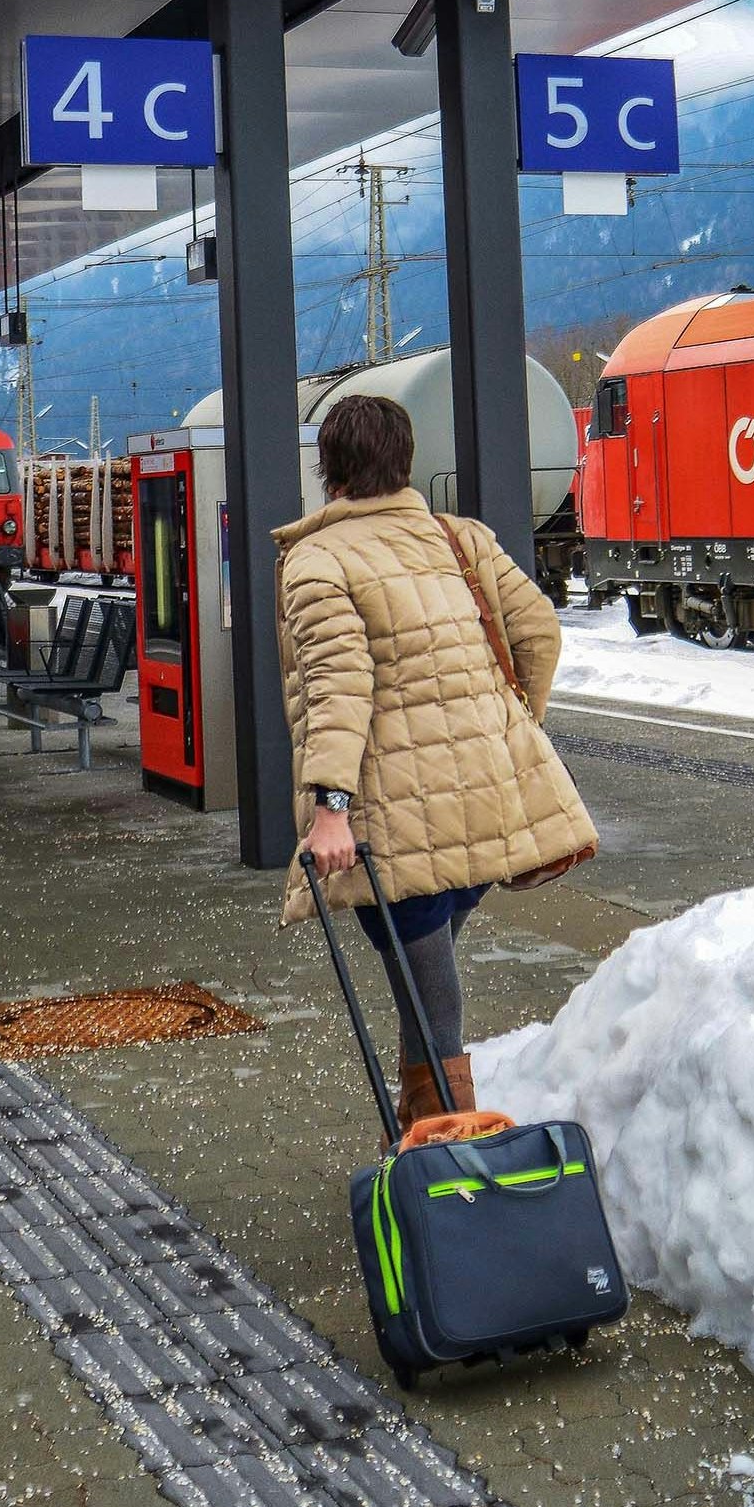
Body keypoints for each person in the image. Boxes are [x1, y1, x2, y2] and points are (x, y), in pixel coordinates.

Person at [276, 394, 595, 1134]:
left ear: (329, 468)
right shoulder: (460, 538)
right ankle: (424, 1138)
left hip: (394, 822)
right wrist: (509, 727)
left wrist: (330, 808)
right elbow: (539, 631)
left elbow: (338, 683)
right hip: (484, 801)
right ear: (405, 460)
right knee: (423, 987)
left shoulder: (317, 559)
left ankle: (457, 1152)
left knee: (431, 1001)